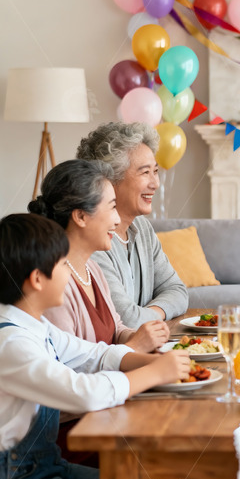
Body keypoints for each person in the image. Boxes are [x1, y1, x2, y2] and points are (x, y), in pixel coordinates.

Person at [0, 213, 189, 479]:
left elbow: (95, 354)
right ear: (37, 279)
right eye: (62, 265)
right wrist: (156, 372)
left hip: (43, 467)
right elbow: (86, 393)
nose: (70, 274)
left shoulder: (35, 325)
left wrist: (154, 362)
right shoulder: (11, 345)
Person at [29, 159, 169, 353]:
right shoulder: (54, 286)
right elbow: (70, 369)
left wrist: (142, 337)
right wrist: (135, 347)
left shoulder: (92, 269)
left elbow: (117, 330)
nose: (118, 219)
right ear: (81, 217)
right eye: (112, 207)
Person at [76, 121, 188, 328]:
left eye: (156, 172)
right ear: (109, 180)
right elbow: (126, 320)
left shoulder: (142, 227)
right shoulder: (92, 237)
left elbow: (177, 290)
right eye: (145, 173)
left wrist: (150, 314)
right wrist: (156, 314)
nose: (155, 184)